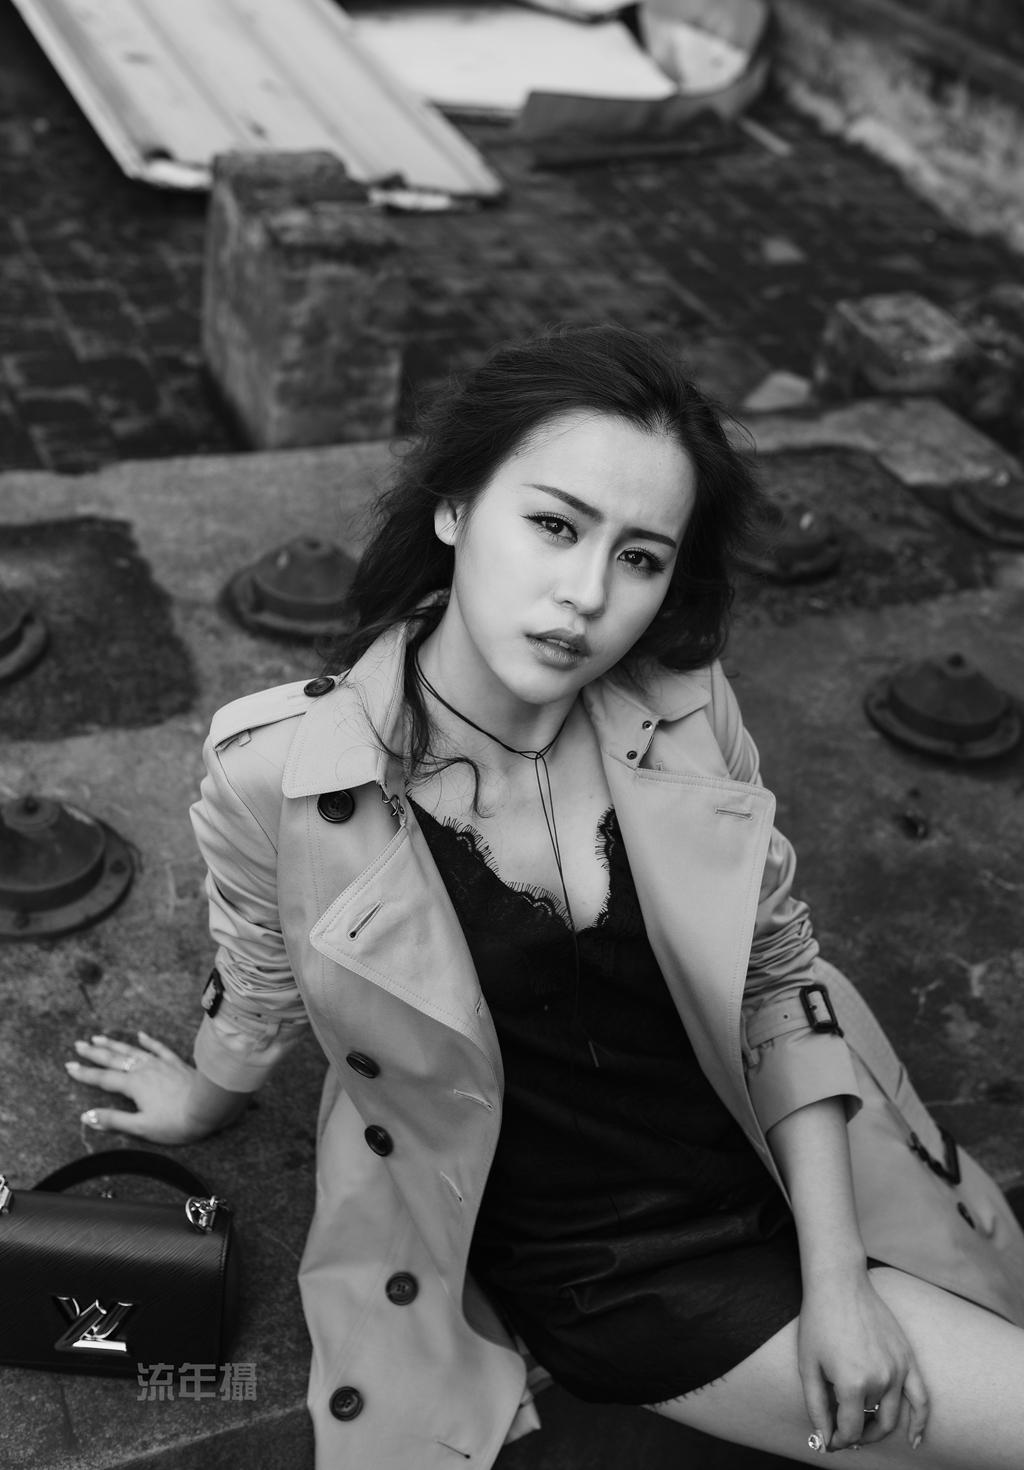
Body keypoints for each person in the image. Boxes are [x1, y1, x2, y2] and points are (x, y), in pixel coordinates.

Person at [67, 324, 1024, 1469]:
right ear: (455, 507)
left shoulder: (685, 708)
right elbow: (263, 971)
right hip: (619, 1263)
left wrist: (837, 1280)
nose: (585, 595)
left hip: (800, 1151)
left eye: (640, 557)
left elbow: (773, 976)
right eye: (556, 526)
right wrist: (202, 1100)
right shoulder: (283, 769)